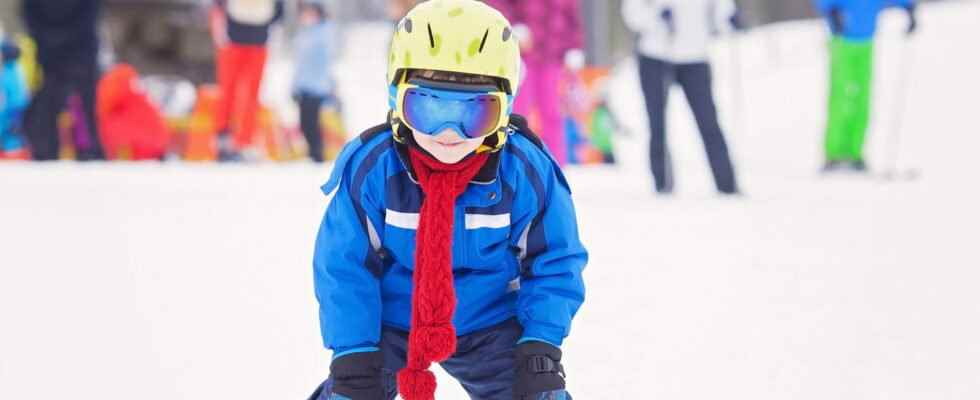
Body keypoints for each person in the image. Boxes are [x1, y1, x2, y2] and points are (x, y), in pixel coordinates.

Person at [308, 1, 587, 399]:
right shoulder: (374, 170)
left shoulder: (524, 172)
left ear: (505, 108)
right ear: (396, 99)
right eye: (428, 107)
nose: (449, 133)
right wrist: (353, 352)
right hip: (391, 321)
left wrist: (540, 343)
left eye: (476, 112)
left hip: (489, 323)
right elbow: (344, 267)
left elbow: (556, 260)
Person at [622, 0, 741, 195]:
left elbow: (721, 7)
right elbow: (632, 12)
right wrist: (654, 18)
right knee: (657, 123)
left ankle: (727, 184)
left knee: (708, 121)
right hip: (656, 55)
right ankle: (663, 183)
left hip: (695, 55)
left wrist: (728, 18)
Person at [814, 0, 917, 172]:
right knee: (842, 97)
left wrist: (909, 9)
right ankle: (835, 153)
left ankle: (855, 152)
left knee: (862, 98)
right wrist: (831, 13)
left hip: (866, 41)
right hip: (843, 40)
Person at [483, 0, 583, 166]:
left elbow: (572, 17)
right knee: (516, 113)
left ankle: (555, 169)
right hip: (520, 54)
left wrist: (575, 46)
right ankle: (509, 164)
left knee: (552, 114)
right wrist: (512, 26)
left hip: (553, 56)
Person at [21, 0, 104, 161]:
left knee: (83, 100)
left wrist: (50, 37)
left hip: (78, 48)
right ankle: (46, 148)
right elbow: (29, 13)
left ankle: (87, 148)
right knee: (48, 100)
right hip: (51, 50)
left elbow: (90, 13)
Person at [212, 0, 284, 161]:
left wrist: (274, 33)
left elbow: (279, 9)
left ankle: (245, 142)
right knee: (228, 91)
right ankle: (224, 139)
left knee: (251, 95)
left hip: (258, 40)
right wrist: (220, 31)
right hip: (234, 39)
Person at [293, 0, 339, 163]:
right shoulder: (305, 33)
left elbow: (324, 63)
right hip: (304, 86)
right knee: (304, 122)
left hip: (317, 87)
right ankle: (312, 152)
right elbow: (300, 64)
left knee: (312, 122)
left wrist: (329, 86)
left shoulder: (324, 33)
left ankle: (317, 153)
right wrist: (295, 86)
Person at [0, 39, 30, 159]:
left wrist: (14, 115)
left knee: (13, 135)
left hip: (13, 111)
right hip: (11, 110)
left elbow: (17, 97)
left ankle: (15, 154)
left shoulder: (10, 72)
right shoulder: (15, 69)